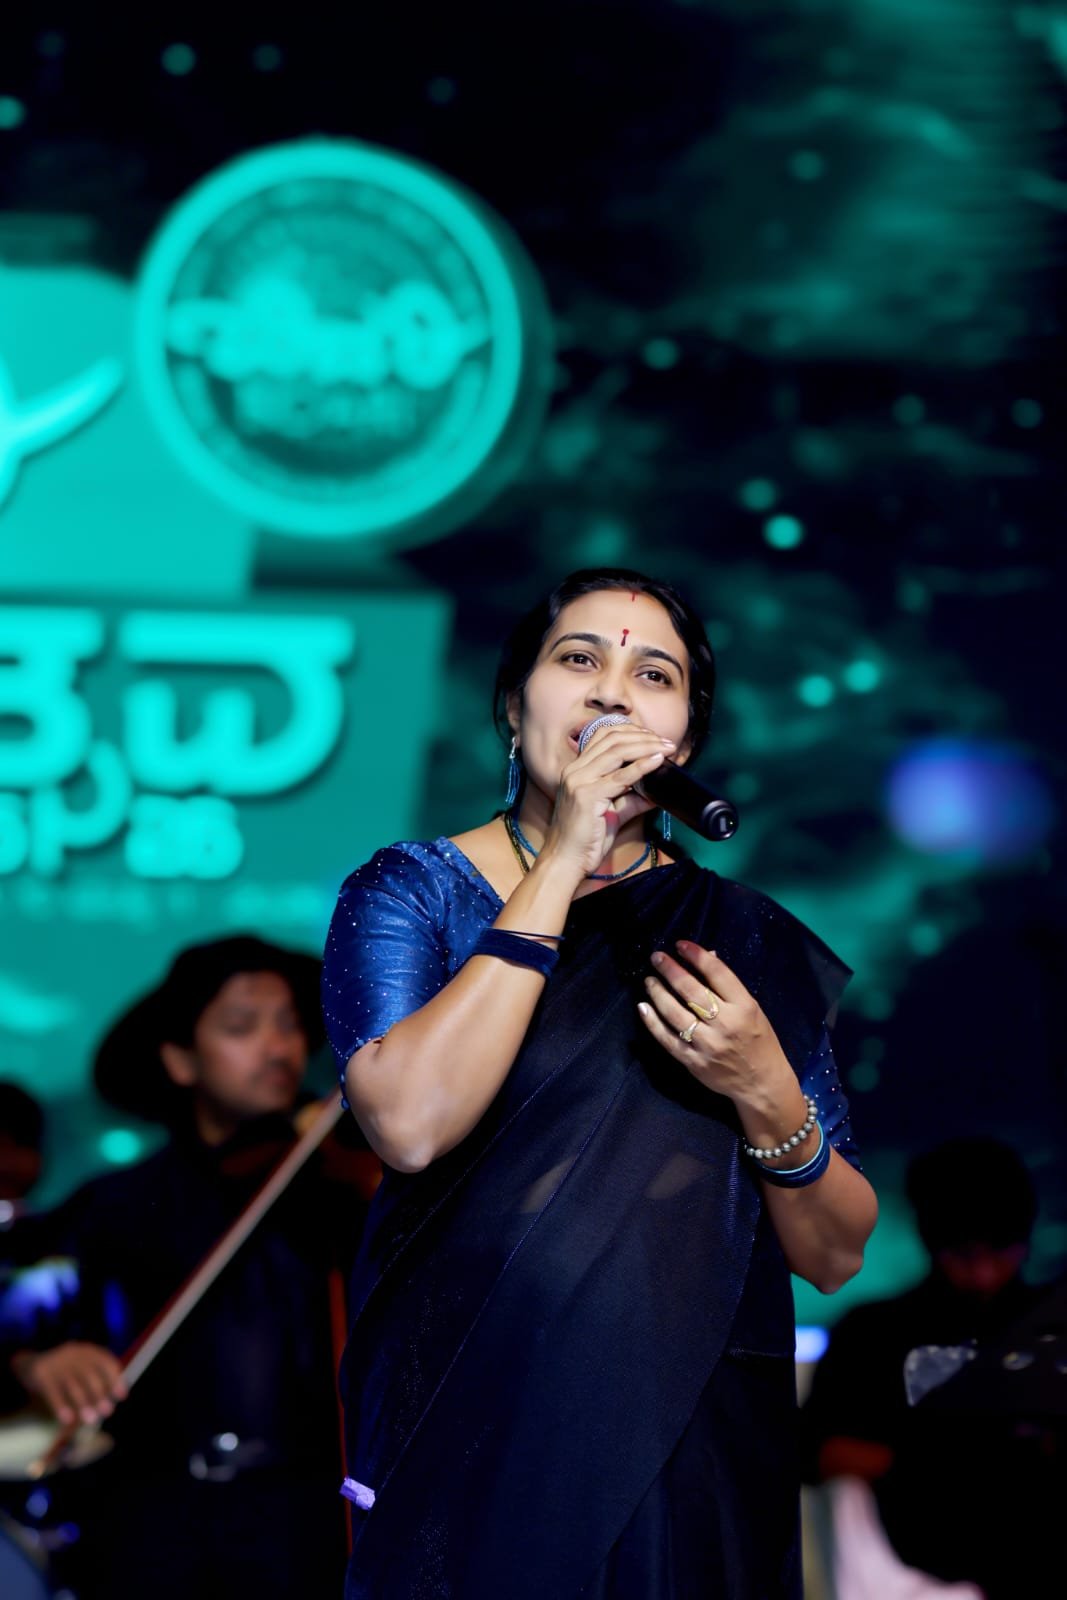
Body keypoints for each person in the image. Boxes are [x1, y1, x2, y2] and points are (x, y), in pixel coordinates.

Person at [323, 567, 878, 1599]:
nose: (612, 693)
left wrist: (765, 1087)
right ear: (511, 706)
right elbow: (408, 1124)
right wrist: (563, 859)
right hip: (477, 1423)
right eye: (578, 659)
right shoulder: (411, 892)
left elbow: (835, 1251)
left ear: (684, 741)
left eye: (653, 675)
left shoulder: (741, 938)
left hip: (688, 1438)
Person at [9, 934, 378, 1600]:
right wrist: (37, 1360)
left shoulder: (342, 1182)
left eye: (290, 1025)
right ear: (180, 1060)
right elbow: (13, 1300)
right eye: (242, 1027)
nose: (279, 1048)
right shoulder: (113, 1205)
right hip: (149, 1530)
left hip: (308, 1526)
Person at [801, 1136, 1049, 1598]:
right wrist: (937, 1462)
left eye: (1001, 1249)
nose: (983, 1273)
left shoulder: (1052, 1325)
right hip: (912, 1573)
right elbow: (818, 1450)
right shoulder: (875, 1334)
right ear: (931, 1240)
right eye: (964, 1254)